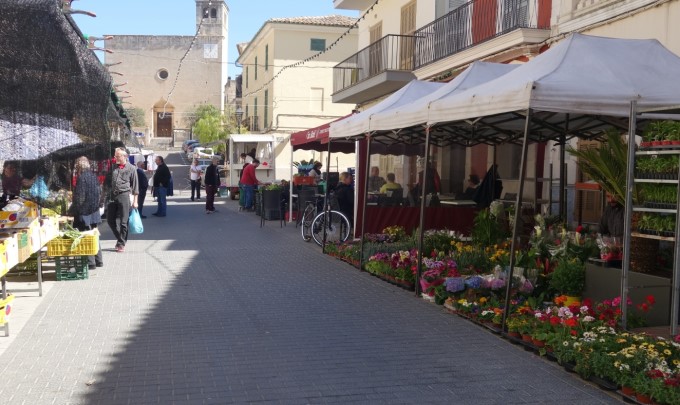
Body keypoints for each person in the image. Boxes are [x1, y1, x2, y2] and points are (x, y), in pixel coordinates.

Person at [71, 157, 103, 269]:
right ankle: (99, 260)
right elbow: (99, 192)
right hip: (94, 210)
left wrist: (75, 209)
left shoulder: (82, 178)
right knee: (94, 234)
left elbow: (80, 197)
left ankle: (91, 262)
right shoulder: (94, 176)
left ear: (79, 166)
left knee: (86, 235)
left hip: (85, 211)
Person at [106, 147, 138, 253]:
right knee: (110, 220)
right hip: (112, 196)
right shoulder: (113, 167)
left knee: (124, 222)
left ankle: (121, 243)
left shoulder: (131, 168)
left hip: (124, 195)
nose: (115, 158)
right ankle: (120, 238)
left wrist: (135, 201)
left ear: (124, 156)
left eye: (117, 156)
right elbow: (107, 183)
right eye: (115, 156)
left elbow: (135, 186)